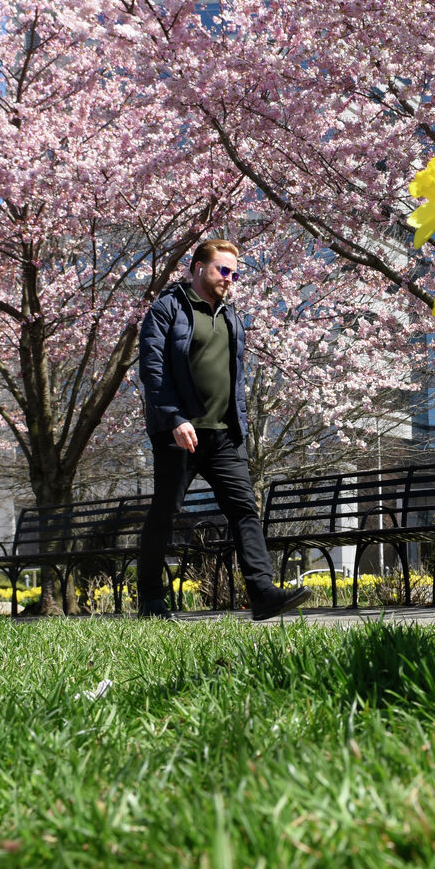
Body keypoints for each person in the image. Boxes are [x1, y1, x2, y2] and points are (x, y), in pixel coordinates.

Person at [137, 239, 312, 621]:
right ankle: (150, 599)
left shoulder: (230, 316)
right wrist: (174, 418)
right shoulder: (168, 308)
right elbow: (153, 370)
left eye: (234, 272)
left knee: (245, 509)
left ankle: (262, 593)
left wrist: (241, 425)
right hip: (178, 433)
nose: (229, 279)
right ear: (198, 267)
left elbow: (236, 378)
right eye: (222, 270)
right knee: (165, 513)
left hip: (223, 435)